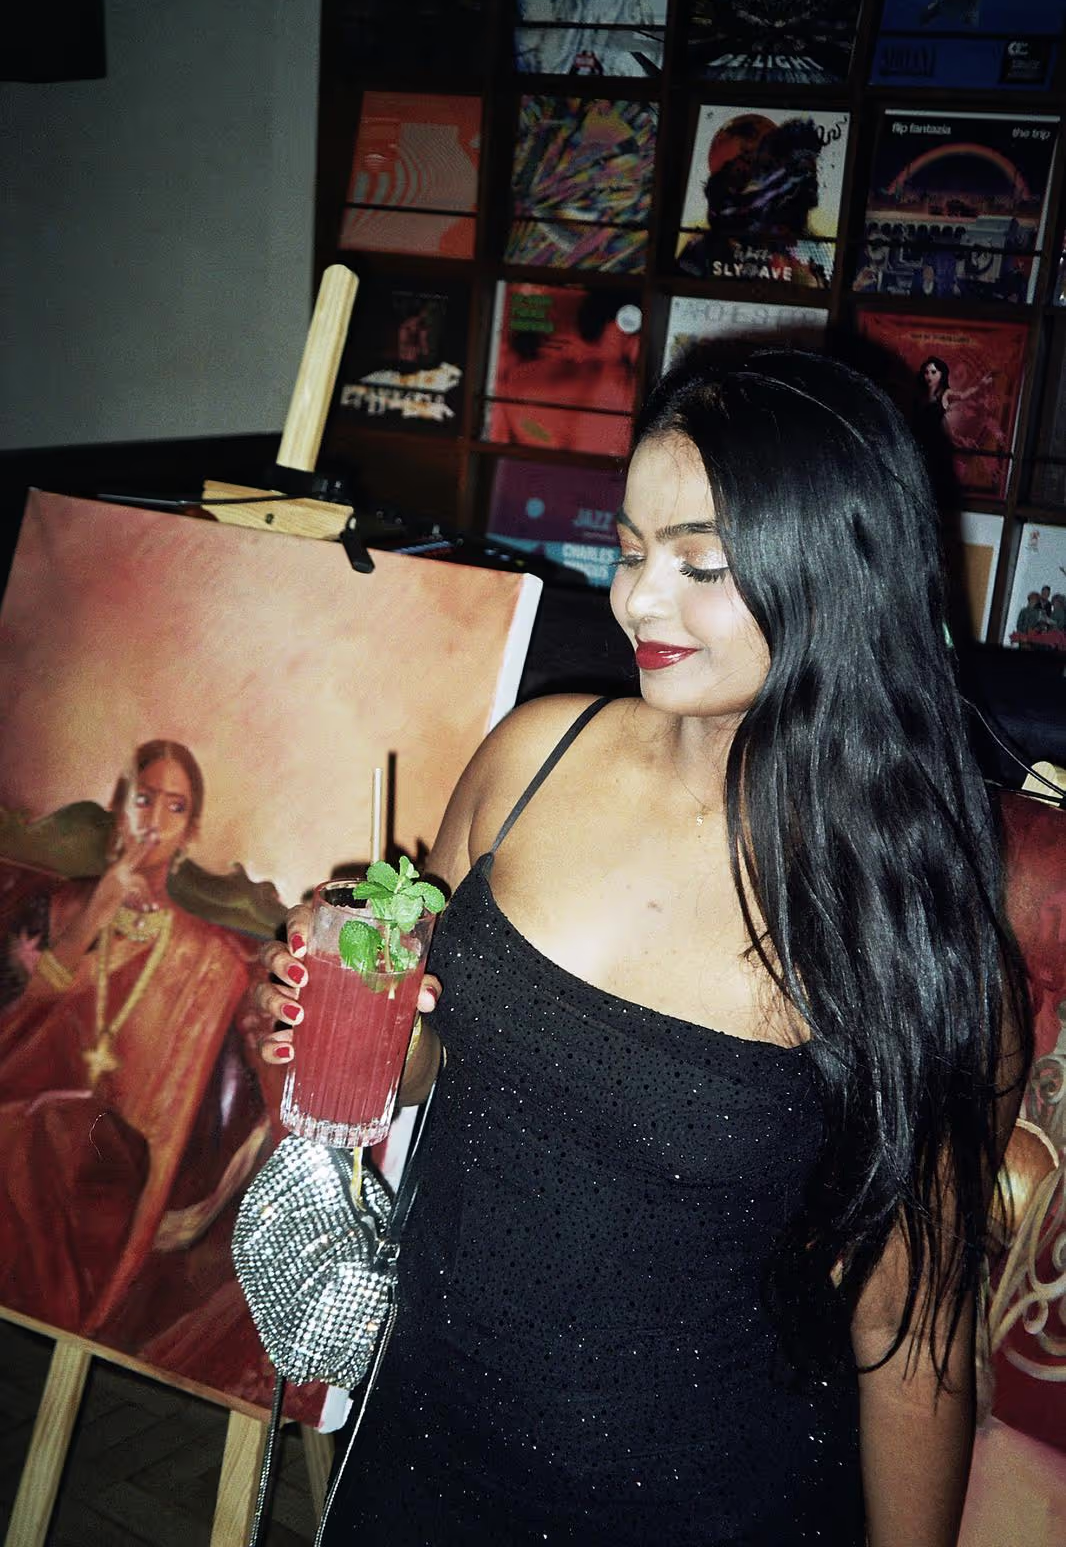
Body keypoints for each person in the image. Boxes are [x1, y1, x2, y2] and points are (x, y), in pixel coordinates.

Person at [256, 347, 1031, 1546]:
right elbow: (430, 1058)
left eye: (700, 563)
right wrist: (338, 1011)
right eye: (626, 549)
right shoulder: (536, 756)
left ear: (836, 575)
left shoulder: (902, 922)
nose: (636, 601)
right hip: (422, 1450)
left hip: (703, 1509)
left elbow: (907, 1331)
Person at [0, 740, 267, 1350]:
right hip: (26, 1123)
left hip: (114, 1169)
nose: (154, 821)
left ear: (191, 831)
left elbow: (200, 1126)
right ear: (119, 807)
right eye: (143, 799)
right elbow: (17, 1026)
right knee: (36, 1131)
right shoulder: (60, 905)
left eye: (175, 808)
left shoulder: (212, 962)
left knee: (61, 1136)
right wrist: (95, 911)